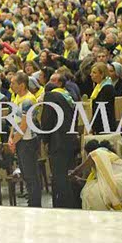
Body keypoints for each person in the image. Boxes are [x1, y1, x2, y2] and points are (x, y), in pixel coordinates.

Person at [40, 73, 80, 208]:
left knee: (59, 176)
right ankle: (74, 204)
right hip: (71, 140)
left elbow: (47, 120)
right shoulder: (69, 96)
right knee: (71, 173)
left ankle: (62, 206)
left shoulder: (50, 96)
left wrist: (45, 140)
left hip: (58, 142)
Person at [69, 140, 122, 211]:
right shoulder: (107, 154)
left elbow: (80, 169)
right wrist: (80, 179)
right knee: (94, 187)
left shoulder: (96, 153)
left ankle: (100, 214)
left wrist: (72, 173)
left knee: (89, 192)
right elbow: (99, 181)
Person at [7, 71, 43, 207]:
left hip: (28, 141)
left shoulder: (28, 100)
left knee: (31, 175)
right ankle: (31, 201)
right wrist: (11, 137)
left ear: (22, 85)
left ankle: (35, 204)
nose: (10, 85)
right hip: (19, 140)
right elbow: (15, 121)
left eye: (13, 83)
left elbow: (23, 125)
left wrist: (14, 141)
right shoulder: (17, 97)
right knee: (26, 174)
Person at [88, 62, 117, 134]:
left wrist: (92, 126)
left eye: (94, 72)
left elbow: (101, 109)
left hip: (106, 126)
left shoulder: (107, 88)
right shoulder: (98, 87)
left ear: (102, 74)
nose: (91, 74)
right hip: (99, 125)